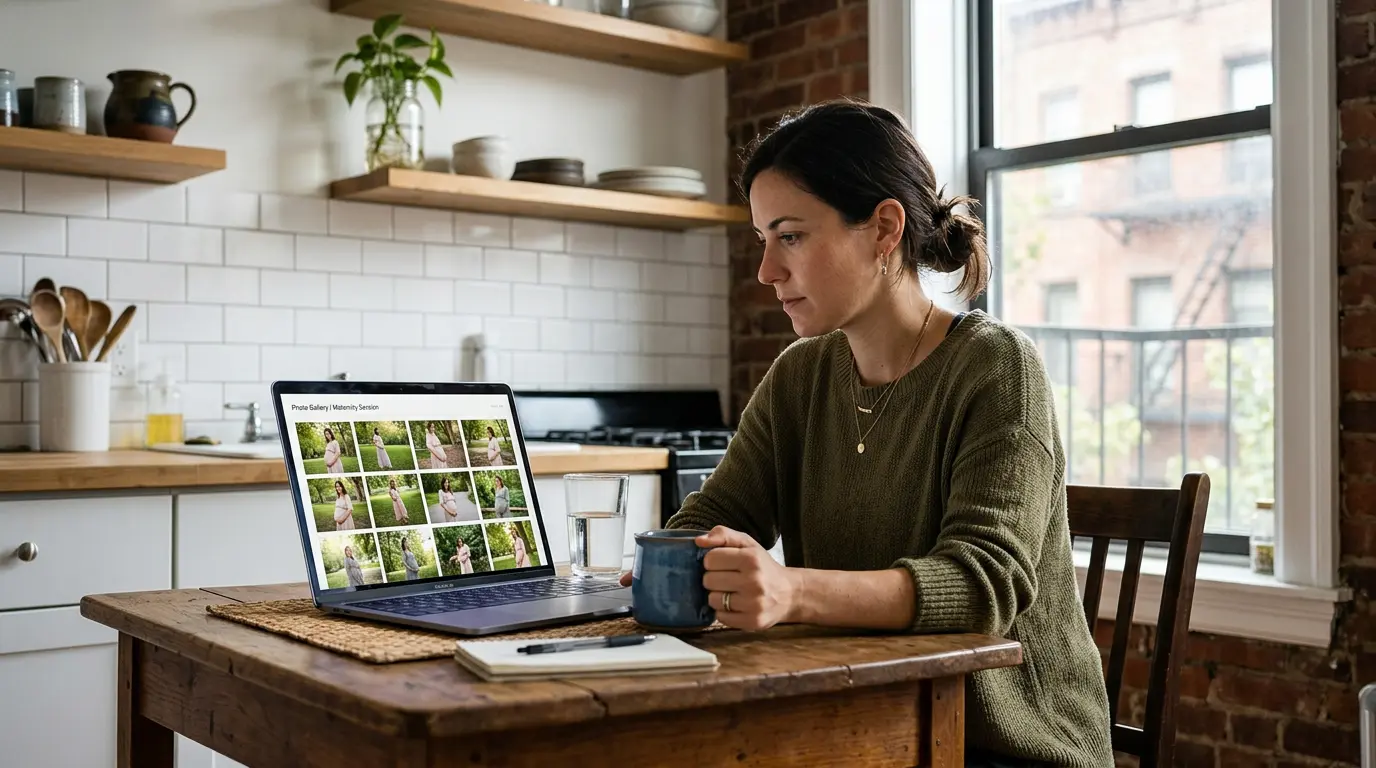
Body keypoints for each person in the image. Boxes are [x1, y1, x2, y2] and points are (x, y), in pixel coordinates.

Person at [620, 100, 1113, 768]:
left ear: (884, 229)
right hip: (859, 724)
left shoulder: (997, 366)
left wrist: (791, 590)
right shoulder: (801, 375)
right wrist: (671, 562)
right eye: (762, 240)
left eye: (789, 236)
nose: (766, 271)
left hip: (1005, 744)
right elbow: (716, 515)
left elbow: (982, 587)